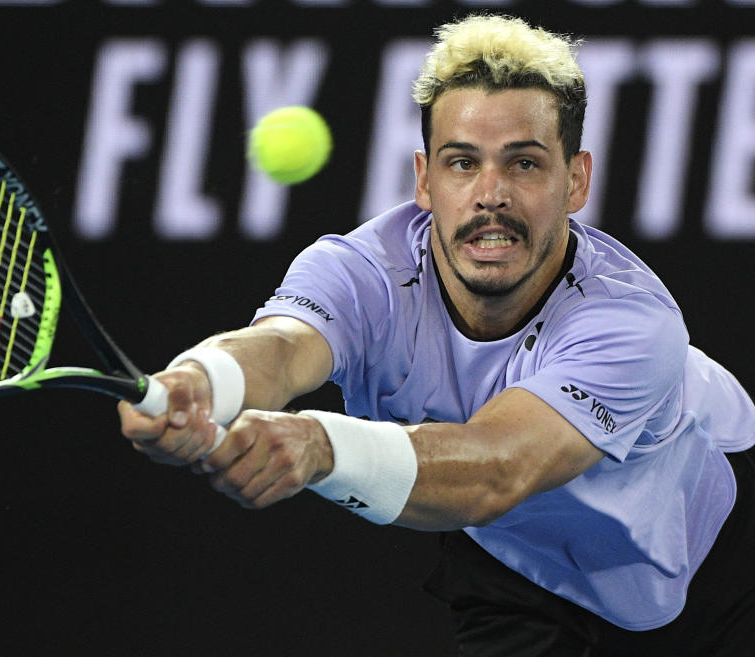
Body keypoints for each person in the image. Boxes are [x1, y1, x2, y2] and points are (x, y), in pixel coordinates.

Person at [118, 13, 755, 656]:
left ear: (576, 180)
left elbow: (499, 467)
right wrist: (199, 383)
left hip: (718, 556)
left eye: (525, 163)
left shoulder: (631, 321)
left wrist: (318, 442)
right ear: (424, 179)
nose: (491, 194)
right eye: (461, 163)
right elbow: (280, 348)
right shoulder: (363, 273)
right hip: (519, 567)